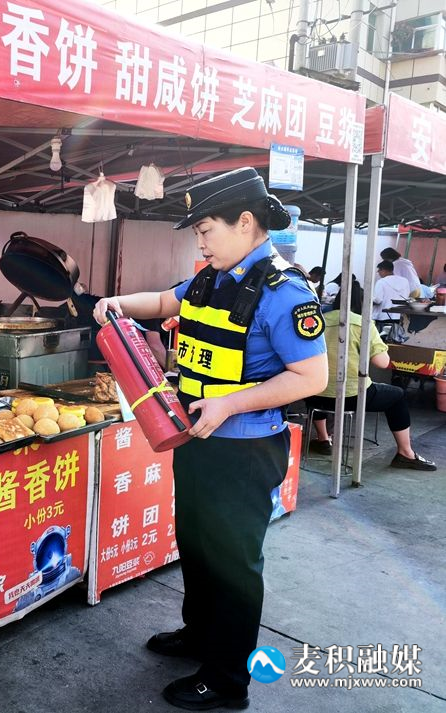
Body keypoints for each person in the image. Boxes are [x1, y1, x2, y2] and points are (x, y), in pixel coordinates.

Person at [93, 167, 328, 710]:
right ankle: (199, 634)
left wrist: (229, 403)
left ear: (245, 222)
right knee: (197, 546)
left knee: (233, 564)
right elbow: (166, 302)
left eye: (205, 230)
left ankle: (226, 679)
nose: (200, 242)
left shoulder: (284, 291)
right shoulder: (211, 278)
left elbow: (310, 376)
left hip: (243, 450)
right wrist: (119, 302)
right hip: (197, 439)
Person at [306, 279, 435, 470]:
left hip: (315, 395)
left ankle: (323, 439)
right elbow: (382, 362)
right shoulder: (362, 324)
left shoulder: (318, 322)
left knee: (321, 384)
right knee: (397, 396)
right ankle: (406, 453)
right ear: (362, 303)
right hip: (352, 397)